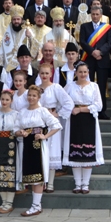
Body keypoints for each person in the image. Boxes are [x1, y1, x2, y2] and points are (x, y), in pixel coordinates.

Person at [14, 85, 62, 217]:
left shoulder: (42, 111)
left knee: (38, 174)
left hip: (37, 145)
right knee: (30, 174)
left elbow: (56, 125)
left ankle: (36, 205)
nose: (31, 98)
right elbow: (16, 128)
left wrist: (44, 136)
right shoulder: (23, 111)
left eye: (34, 96)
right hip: (26, 145)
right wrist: (20, 132)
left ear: (38, 97)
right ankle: (36, 205)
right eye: (29, 95)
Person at [63, 62, 104, 193]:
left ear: (88, 73)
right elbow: (62, 101)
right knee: (75, 151)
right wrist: (71, 109)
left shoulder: (94, 86)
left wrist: (82, 110)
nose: (82, 74)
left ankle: (85, 184)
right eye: (80, 72)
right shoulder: (69, 86)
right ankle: (77, 184)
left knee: (87, 152)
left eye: (85, 72)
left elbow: (98, 105)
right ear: (75, 73)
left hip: (89, 120)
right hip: (74, 120)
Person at [36, 64, 72, 193]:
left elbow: (68, 102)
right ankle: (40, 181)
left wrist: (57, 113)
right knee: (39, 152)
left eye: (46, 73)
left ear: (51, 74)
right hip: (39, 123)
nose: (44, 76)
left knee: (51, 151)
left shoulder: (56, 88)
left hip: (51, 123)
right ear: (39, 74)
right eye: (42, 73)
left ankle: (50, 183)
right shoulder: (35, 89)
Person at [79, 6, 111, 120]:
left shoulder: (107, 28)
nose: (95, 16)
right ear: (90, 15)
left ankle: (102, 111)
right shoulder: (84, 26)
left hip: (102, 60)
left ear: (101, 15)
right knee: (89, 86)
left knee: (101, 87)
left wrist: (100, 52)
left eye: (97, 14)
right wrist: (92, 52)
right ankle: (88, 109)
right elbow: (82, 41)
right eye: (93, 14)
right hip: (89, 60)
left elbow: (110, 42)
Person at [0, 90, 18, 213]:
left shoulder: (16, 114)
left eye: (7, 99)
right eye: (2, 99)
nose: (4, 102)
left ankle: (9, 202)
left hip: (10, 145)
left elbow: (18, 129)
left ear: (11, 101)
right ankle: (3, 201)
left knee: (9, 171)